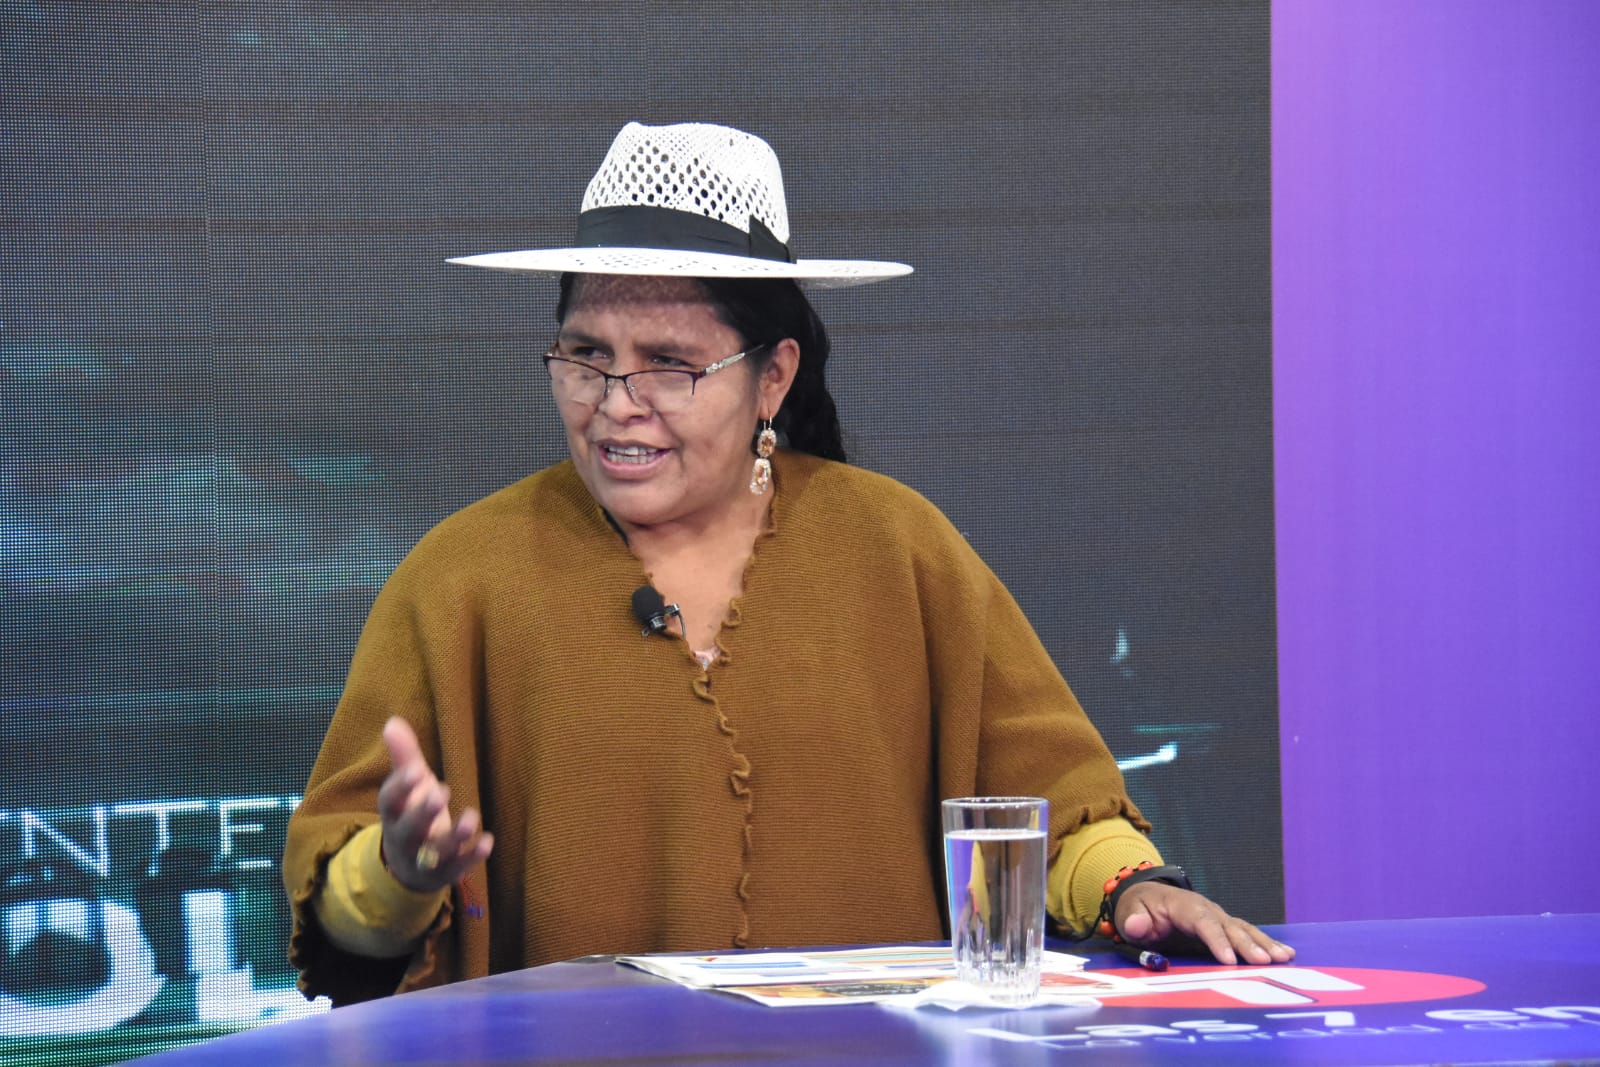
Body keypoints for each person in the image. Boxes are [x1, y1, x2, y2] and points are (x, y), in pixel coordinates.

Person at [283, 121, 1293, 1005]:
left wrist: (1133, 888)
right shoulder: (463, 577)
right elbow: (341, 921)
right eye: (585, 354)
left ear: (772, 375)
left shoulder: (896, 545)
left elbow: (1049, 804)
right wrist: (398, 872)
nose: (616, 403)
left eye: (669, 364)